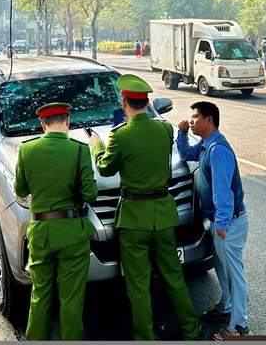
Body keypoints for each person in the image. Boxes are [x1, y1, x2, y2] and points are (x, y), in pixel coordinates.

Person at [87, 74, 200, 340]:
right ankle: (190, 329)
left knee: (138, 283)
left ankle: (146, 337)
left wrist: (97, 146)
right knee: (173, 275)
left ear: (124, 103)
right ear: (147, 101)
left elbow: (105, 167)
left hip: (134, 218)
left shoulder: (120, 136)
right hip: (162, 213)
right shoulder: (164, 129)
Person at [14, 103, 97, 340]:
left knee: (40, 295)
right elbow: (90, 194)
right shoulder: (80, 150)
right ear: (67, 122)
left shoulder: (27, 150)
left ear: (43, 125)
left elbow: (20, 188)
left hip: (41, 233)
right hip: (72, 233)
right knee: (71, 299)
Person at [177, 102, 249, 340]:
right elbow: (186, 154)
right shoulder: (206, 145)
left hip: (229, 222)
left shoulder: (217, 150)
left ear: (210, 120)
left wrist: (221, 224)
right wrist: (182, 133)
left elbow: (223, 192)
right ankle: (227, 306)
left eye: (196, 117)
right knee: (221, 268)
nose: (192, 119)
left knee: (234, 273)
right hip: (221, 221)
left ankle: (238, 326)